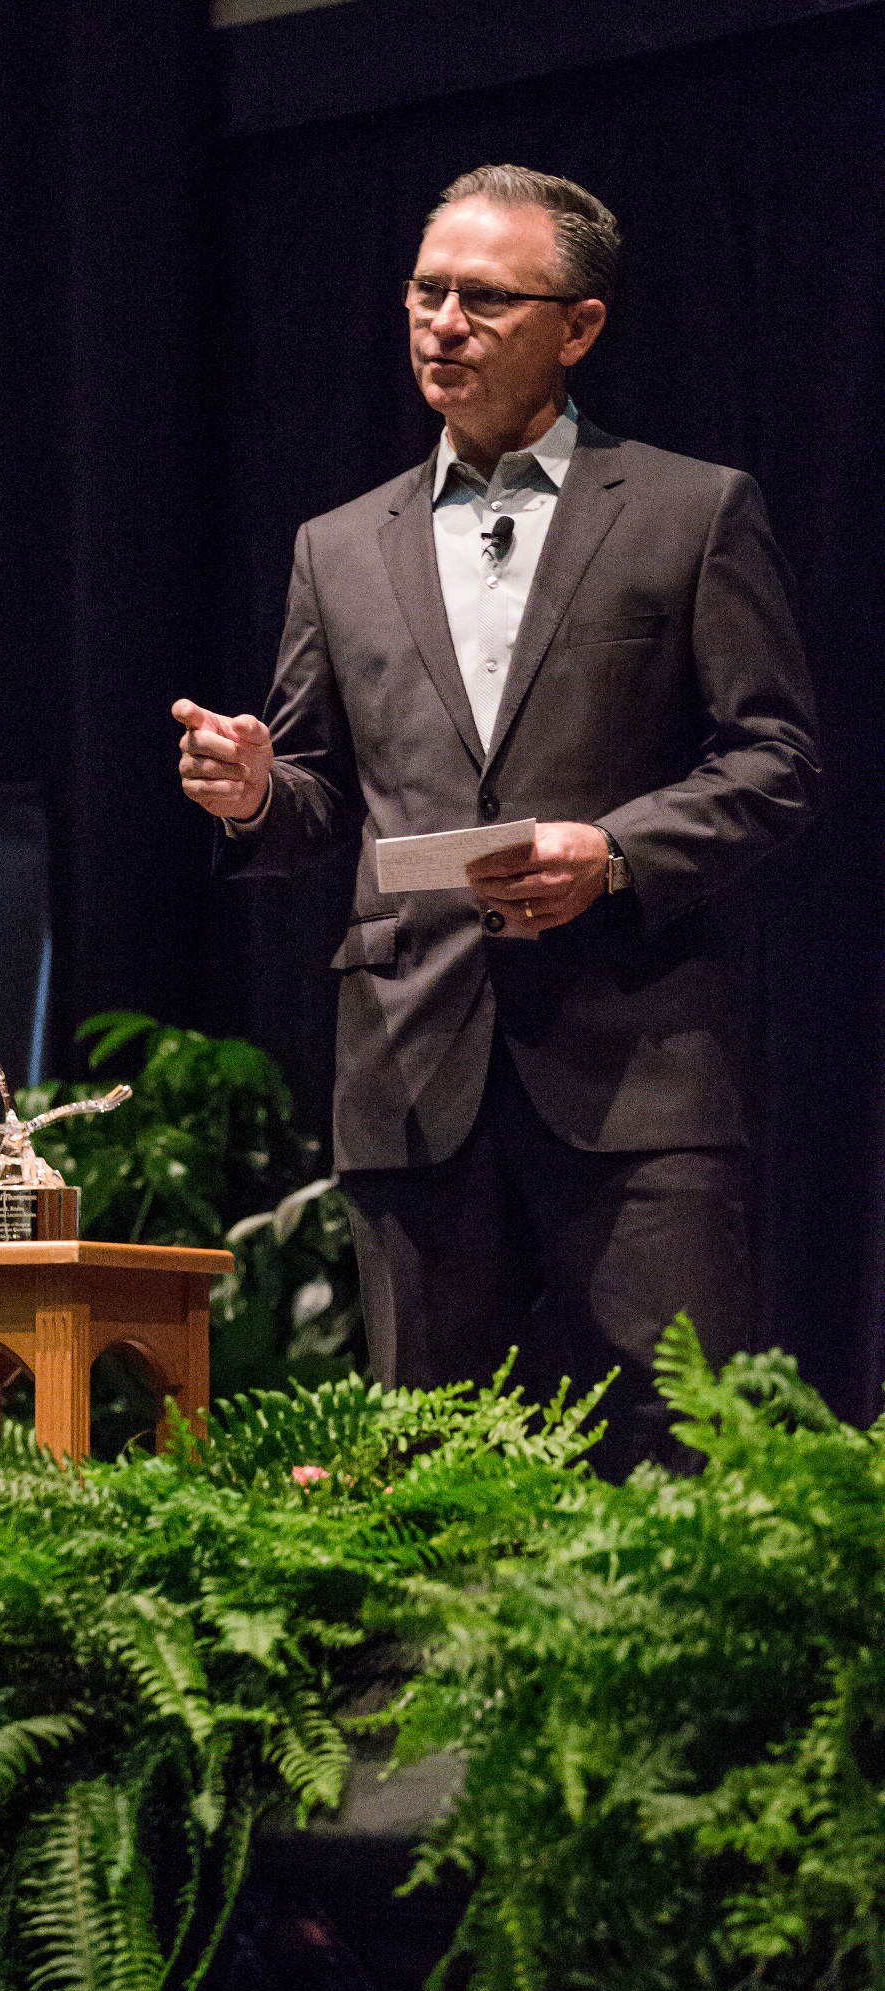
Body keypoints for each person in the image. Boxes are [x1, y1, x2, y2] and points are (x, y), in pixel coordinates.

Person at [175, 164, 819, 1471]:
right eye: (425, 293)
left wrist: (617, 851)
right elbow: (312, 797)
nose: (442, 325)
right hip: (412, 1063)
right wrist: (254, 791)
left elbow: (775, 755)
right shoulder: (338, 545)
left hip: (635, 1064)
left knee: (681, 1447)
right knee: (427, 1459)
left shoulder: (692, 512)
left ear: (574, 327)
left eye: (483, 298)